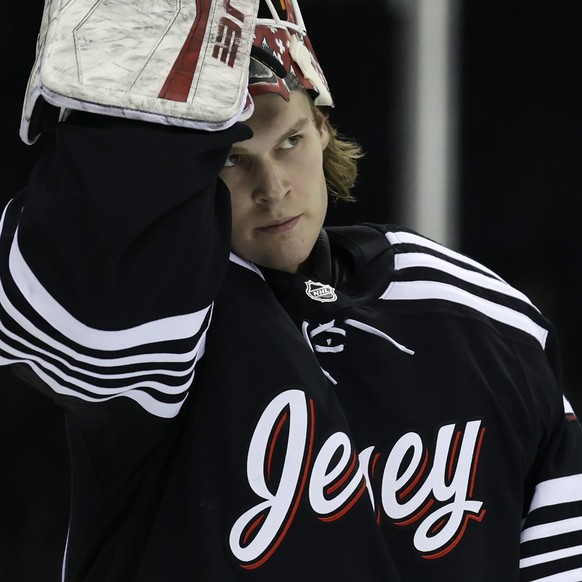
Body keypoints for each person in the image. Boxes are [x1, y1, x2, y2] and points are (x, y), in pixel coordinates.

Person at [0, 2, 581, 582]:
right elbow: (78, 313)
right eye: (232, 159)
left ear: (325, 128)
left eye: (289, 142)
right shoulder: (166, 319)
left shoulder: (478, 312)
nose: (272, 190)